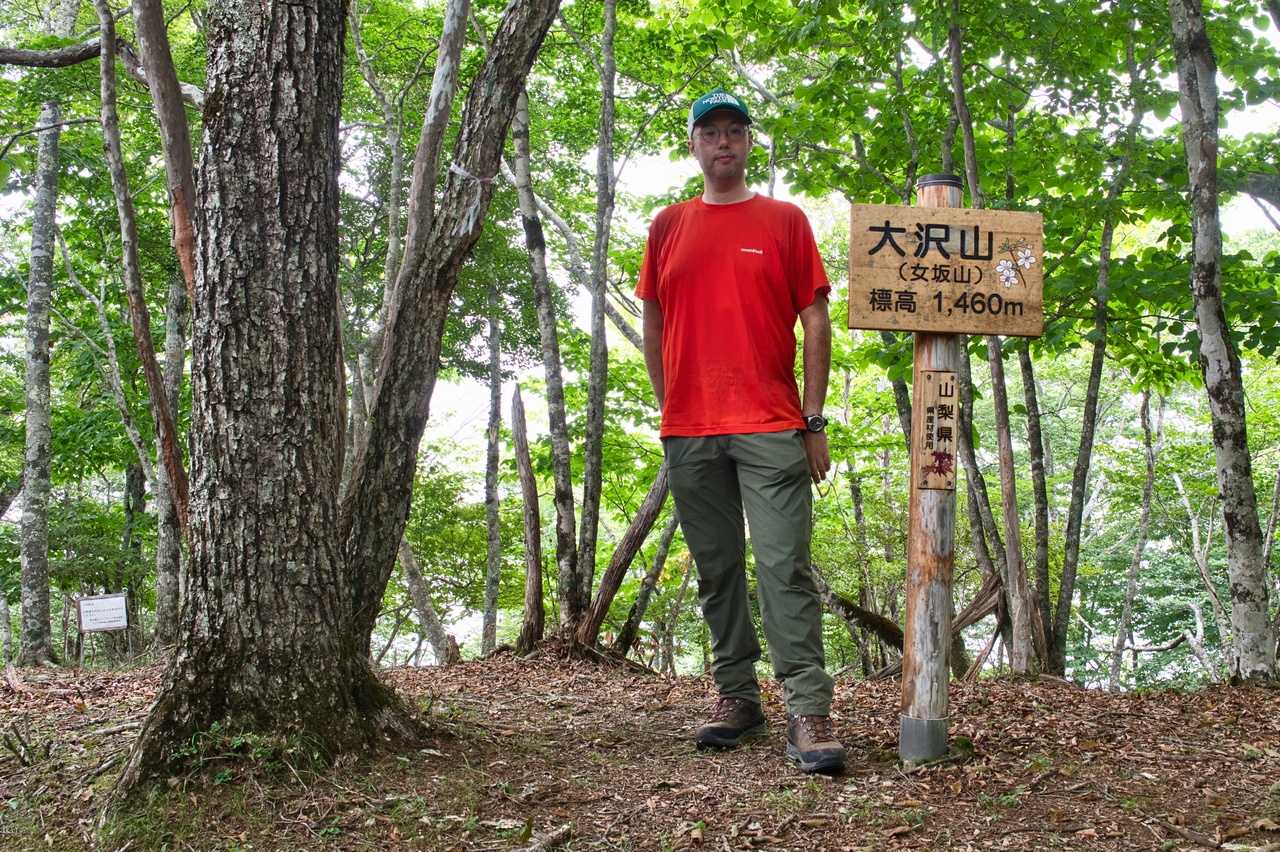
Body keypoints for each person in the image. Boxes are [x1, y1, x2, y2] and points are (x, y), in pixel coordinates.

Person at [635, 88, 844, 774]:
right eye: (710, 132)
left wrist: (813, 420)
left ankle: (809, 710)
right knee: (718, 570)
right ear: (693, 145)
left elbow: (816, 322)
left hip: (771, 424)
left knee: (782, 564)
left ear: (749, 144)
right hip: (690, 431)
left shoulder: (784, 220)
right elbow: (655, 323)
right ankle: (736, 699)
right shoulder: (667, 225)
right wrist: (672, 411)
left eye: (734, 132)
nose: (722, 142)